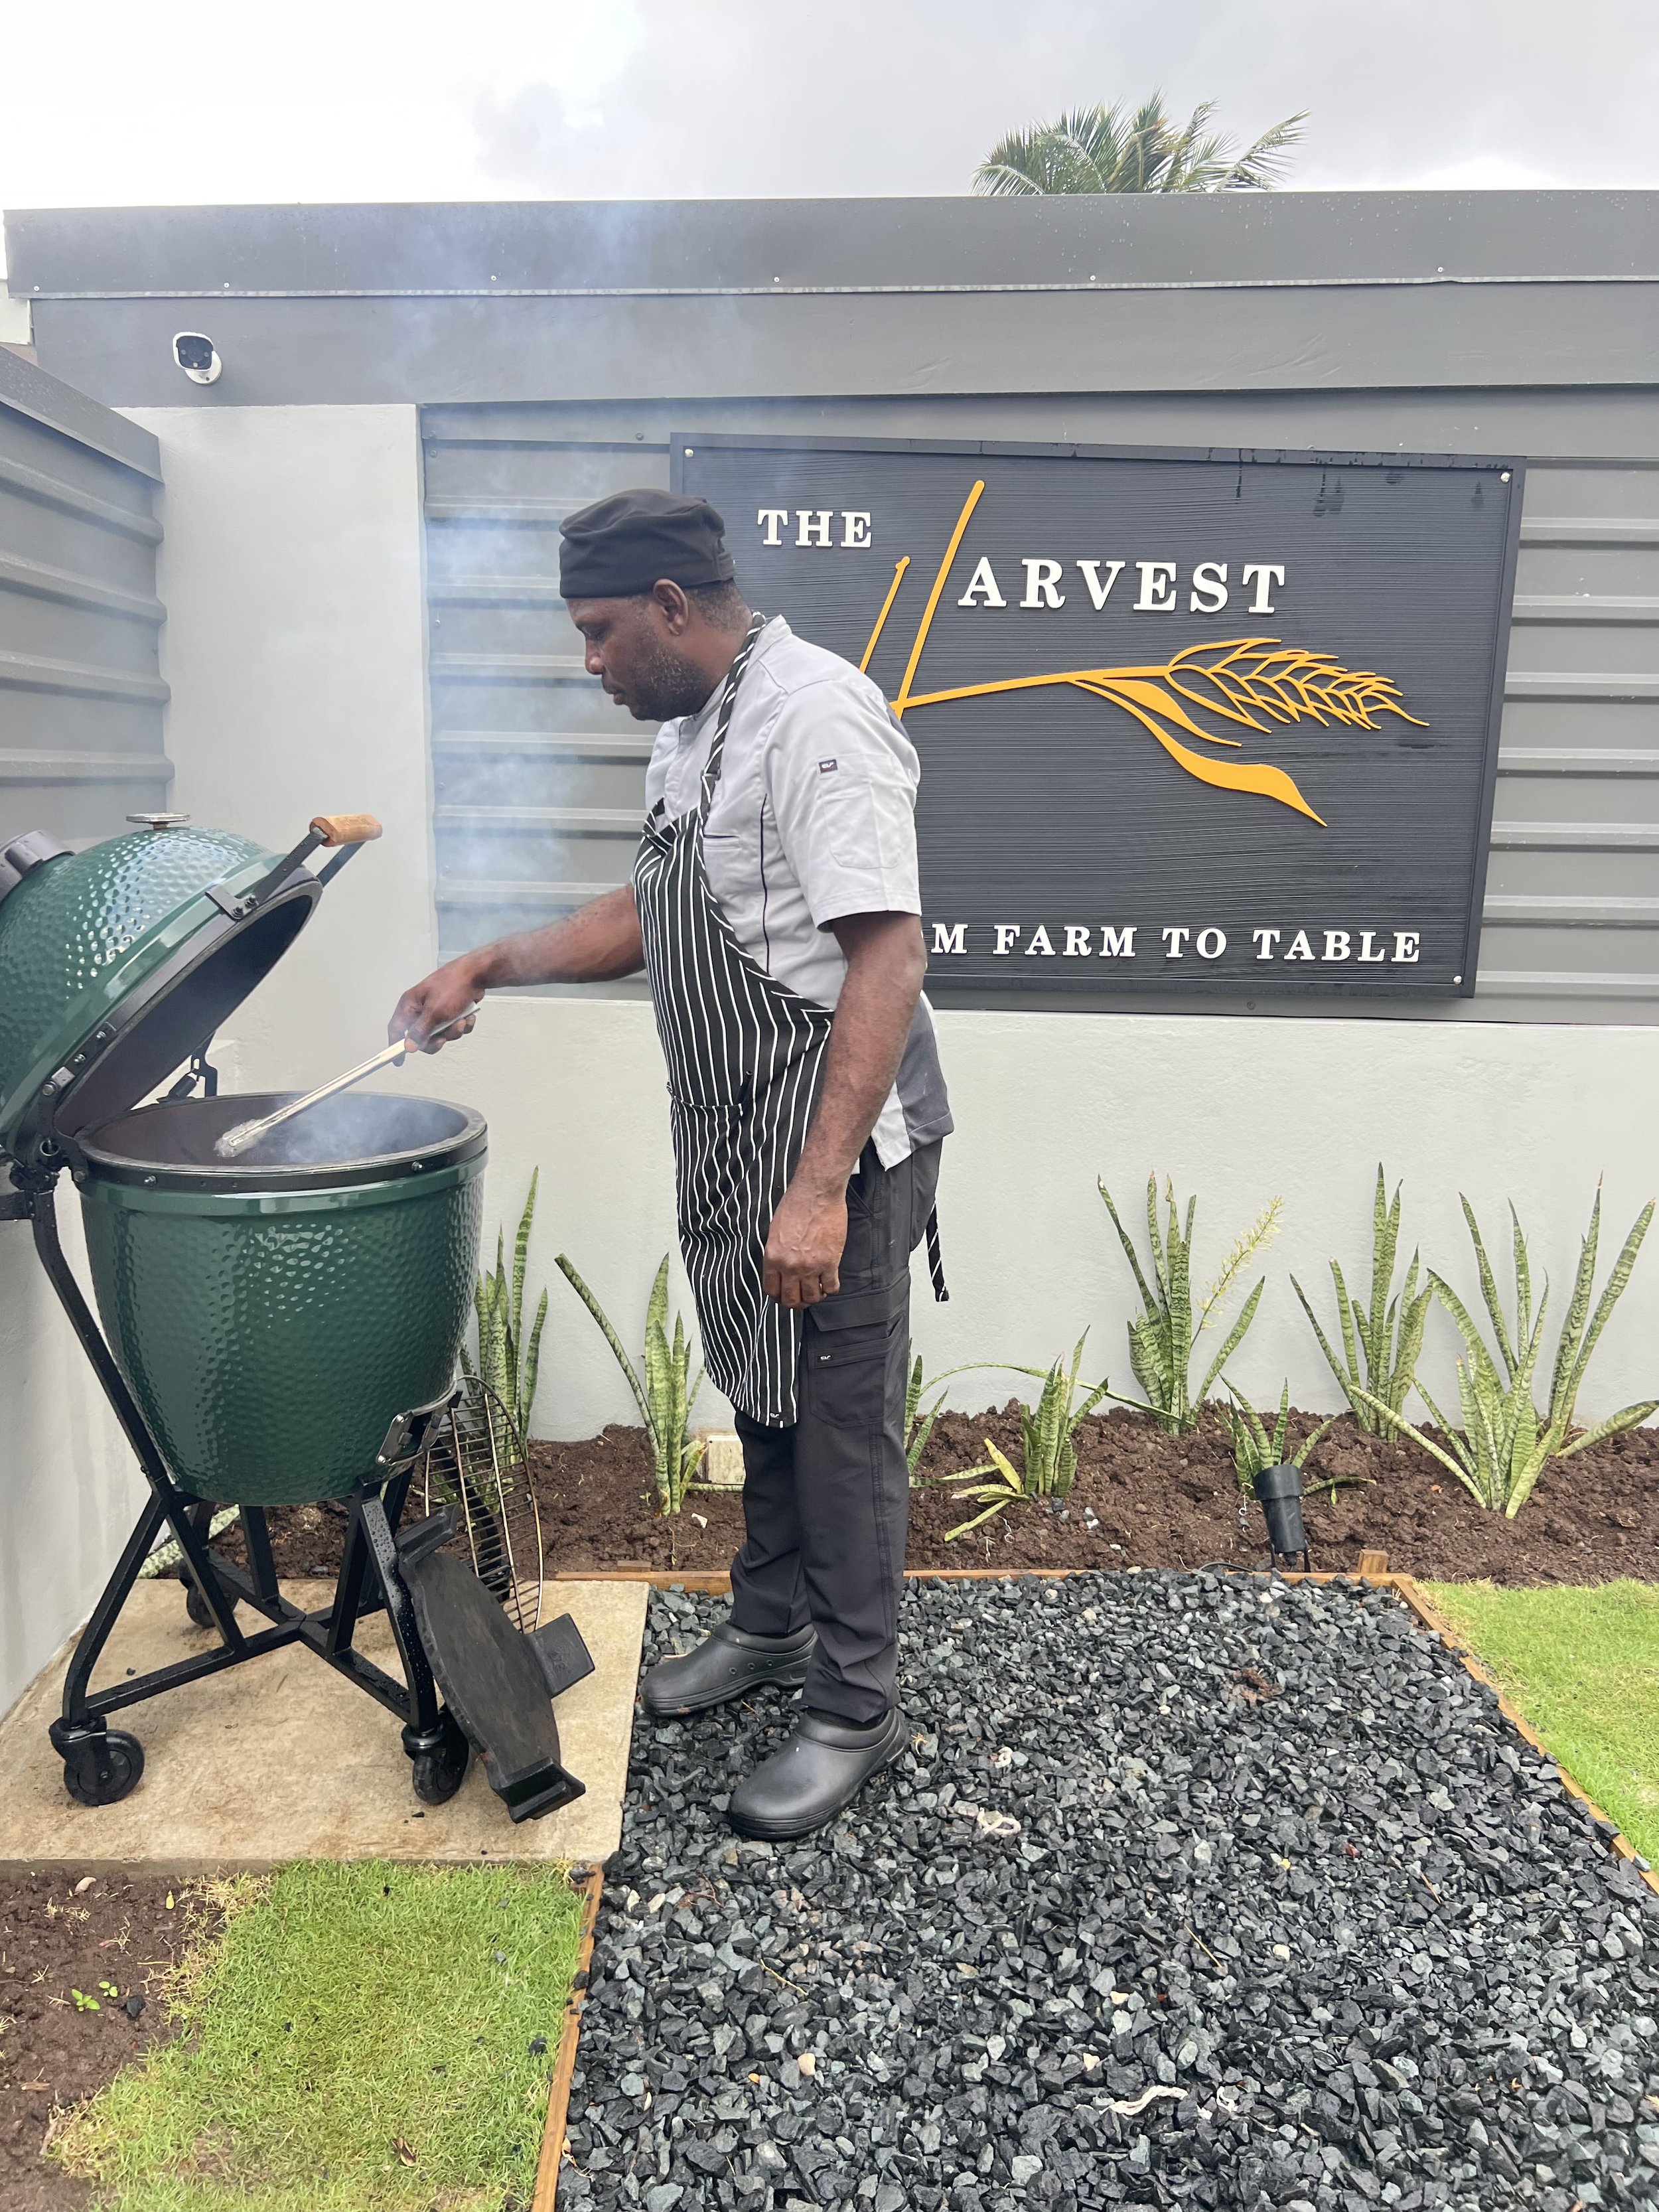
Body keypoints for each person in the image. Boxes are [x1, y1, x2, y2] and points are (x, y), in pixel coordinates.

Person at [390, 489, 952, 1840]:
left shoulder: (816, 719)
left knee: (840, 1433)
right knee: (762, 1394)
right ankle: (766, 1624)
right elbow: (651, 911)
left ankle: (853, 1700)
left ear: (669, 607)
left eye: (596, 633)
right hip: (734, 1125)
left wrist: (817, 1191)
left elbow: (886, 953)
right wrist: (489, 961)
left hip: (838, 1143)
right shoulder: (691, 728)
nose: (587, 661)